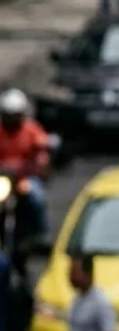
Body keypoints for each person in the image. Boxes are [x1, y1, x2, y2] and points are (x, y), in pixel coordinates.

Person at [0, 90, 50, 242]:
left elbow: (42, 150)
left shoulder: (31, 130)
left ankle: (41, 235)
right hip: (3, 179)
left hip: (25, 178)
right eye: (8, 114)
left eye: (14, 114)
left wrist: (41, 163)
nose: (11, 118)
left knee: (37, 199)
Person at [66, 254, 119, 331]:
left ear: (88, 274)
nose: (70, 277)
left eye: (75, 272)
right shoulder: (77, 300)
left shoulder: (101, 303)